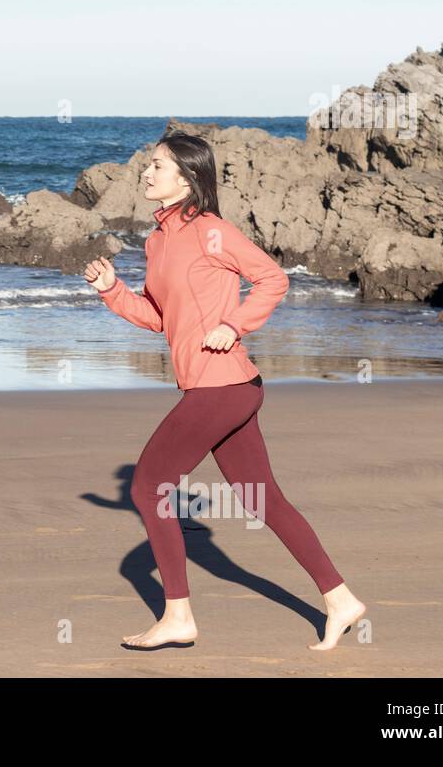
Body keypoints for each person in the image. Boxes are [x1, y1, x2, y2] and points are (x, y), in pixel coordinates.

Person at [84, 131, 365, 650]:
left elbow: (273, 279)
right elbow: (160, 318)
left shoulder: (211, 231)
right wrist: (113, 292)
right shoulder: (156, 240)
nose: (147, 173)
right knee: (264, 500)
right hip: (226, 388)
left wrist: (234, 325)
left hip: (222, 386)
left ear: (188, 178)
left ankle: (178, 619)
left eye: (158, 167)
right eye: (148, 165)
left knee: (148, 487)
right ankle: (341, 599)